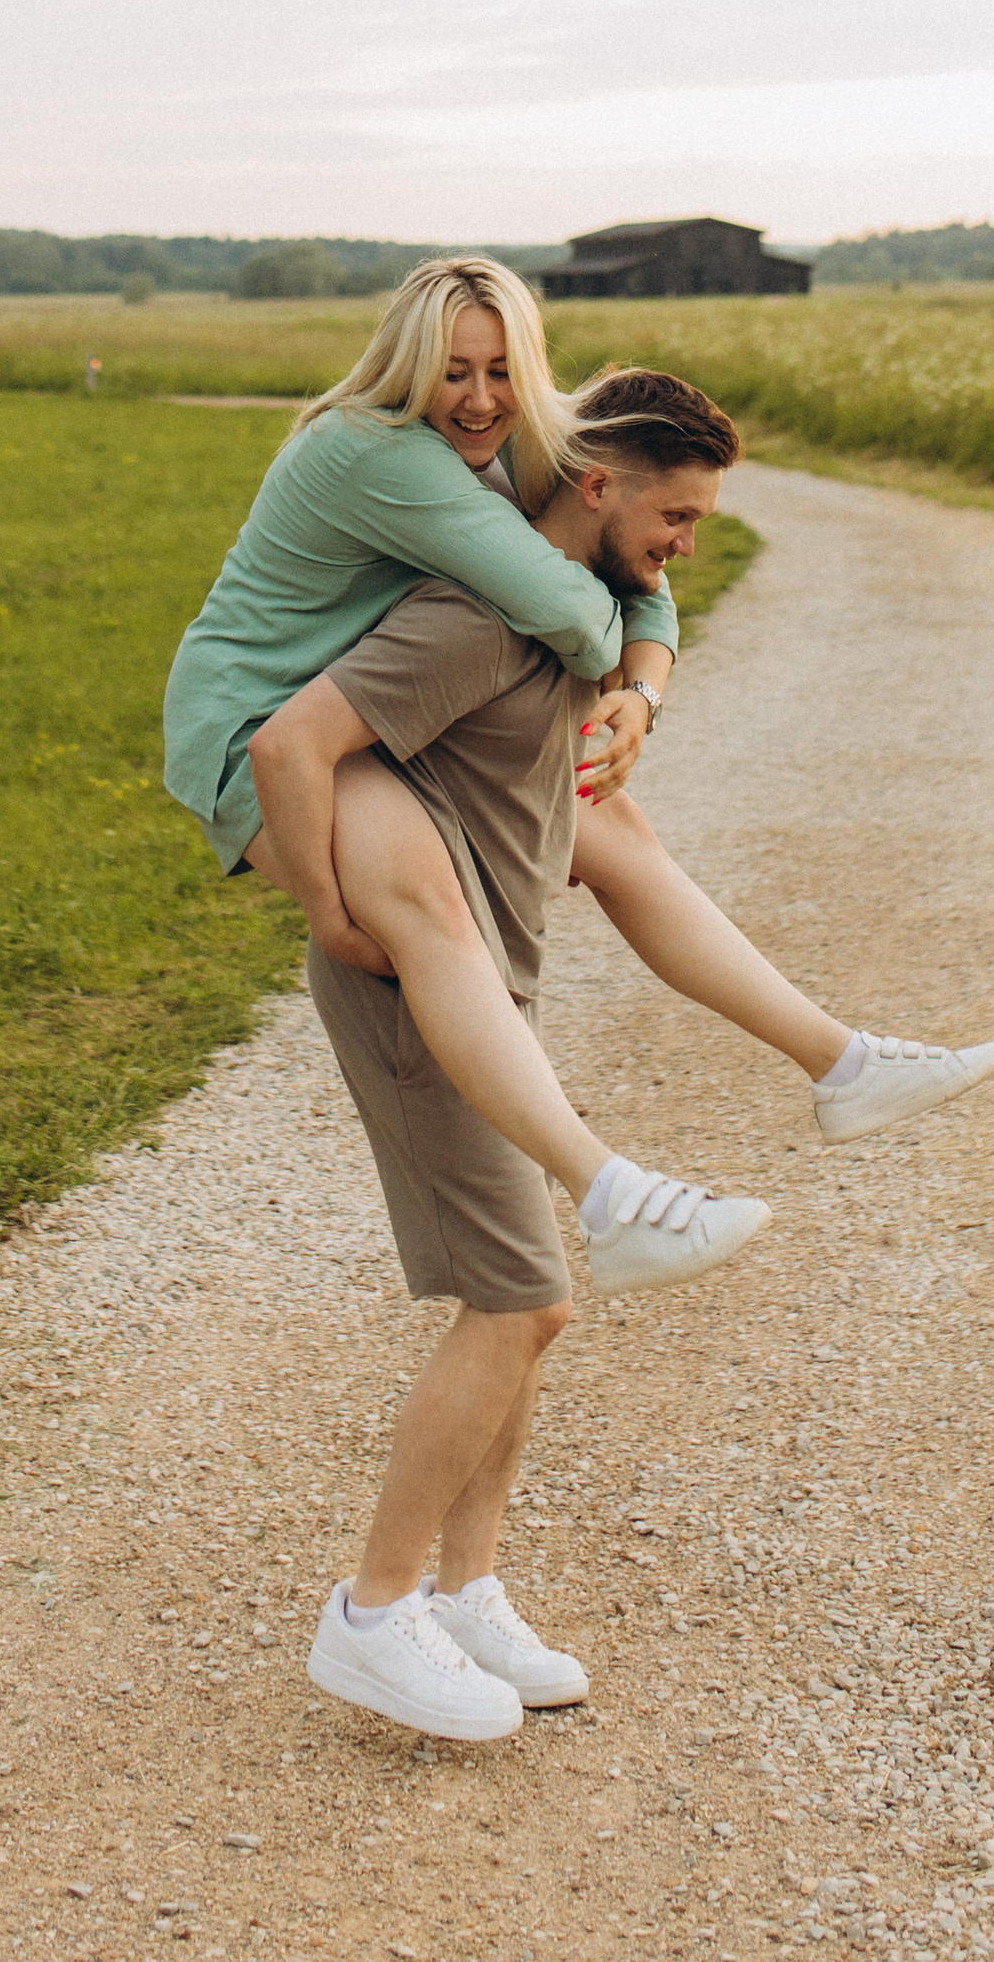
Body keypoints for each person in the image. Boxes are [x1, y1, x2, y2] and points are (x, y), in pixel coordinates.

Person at [161, 260, 994, 1206]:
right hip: (263, 726)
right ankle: (606, 1194)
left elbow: (641, 577)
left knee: (619, 830)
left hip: (373, 714)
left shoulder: (525, 434)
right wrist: (325, 908)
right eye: (452, 371)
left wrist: (640, 695)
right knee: (430, 908)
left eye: (501, 369)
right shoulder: (371, 450)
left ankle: (844, 1066)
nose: (480, 400)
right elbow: (567, 601)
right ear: (406, 367)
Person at [286, 509, 742, 1736]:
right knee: (524, 1301)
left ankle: (466, 1590)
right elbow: (290, 743)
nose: (689, 543)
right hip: (413, 992)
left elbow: (644, 622)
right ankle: (372, 1615)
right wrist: (333, 914)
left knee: (525, 1299)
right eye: (676, 513)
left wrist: (640, 687)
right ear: (598, 489)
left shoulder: (558, 623)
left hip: (476, 988)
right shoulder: (471, 619)